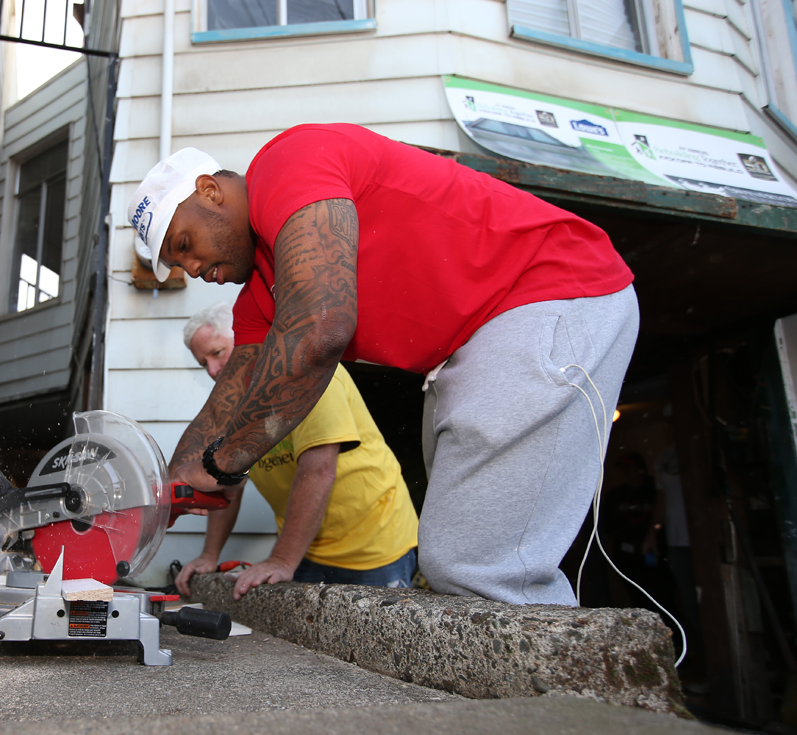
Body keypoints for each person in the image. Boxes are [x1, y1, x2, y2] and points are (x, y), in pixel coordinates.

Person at [128, 124, 639, 606]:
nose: (192, 270)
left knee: (473, 565)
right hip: (472, 341)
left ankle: (566, 696)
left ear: (209, 191)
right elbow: (226, 402)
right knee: (455, 561)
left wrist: (223, 464)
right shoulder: (260, 296)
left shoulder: (286, 163)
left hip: (550, 291)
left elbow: (320, 329)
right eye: (179, 266)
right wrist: (169, 487)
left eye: (185, 245)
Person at [176, 303, 419, 599]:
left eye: (217, 353)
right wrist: (209, 554)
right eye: (203, 363)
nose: (213, 371)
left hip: (376, 546)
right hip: (307, 550)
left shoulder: (309, 373)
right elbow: (227, 481)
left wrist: (281, 560)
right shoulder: (234, 407)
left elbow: (319, 470)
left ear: (248, 342)